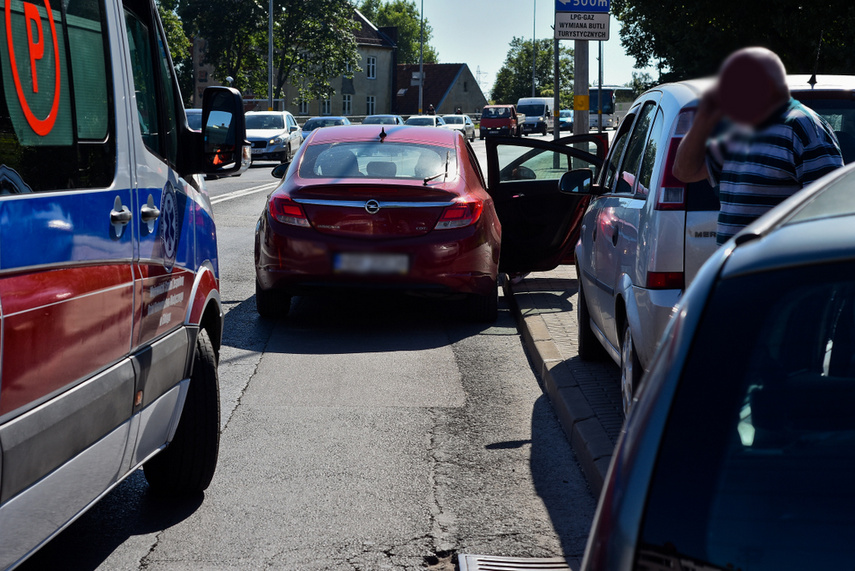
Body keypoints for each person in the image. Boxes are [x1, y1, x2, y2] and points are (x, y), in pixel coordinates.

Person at [673, 47, 844, 245]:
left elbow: (830, 211)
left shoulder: (802, 127)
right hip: (734, 270)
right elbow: (684, 172)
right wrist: (704, 117)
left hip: (774, 271)